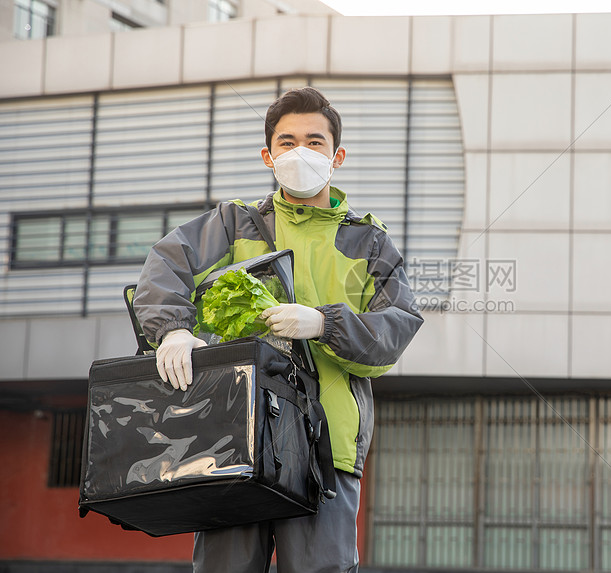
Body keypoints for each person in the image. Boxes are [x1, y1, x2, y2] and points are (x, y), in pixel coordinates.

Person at [133, 86, 423, 572]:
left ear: (338, 155)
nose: (300, 153)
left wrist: (324, 323)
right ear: (268, 155)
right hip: (233, 435)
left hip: (324, 448)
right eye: (287, 143)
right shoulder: (234, 224)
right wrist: (173, 330)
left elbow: (396, 328)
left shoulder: (370, 243)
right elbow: (167, 263)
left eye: (315, 141)